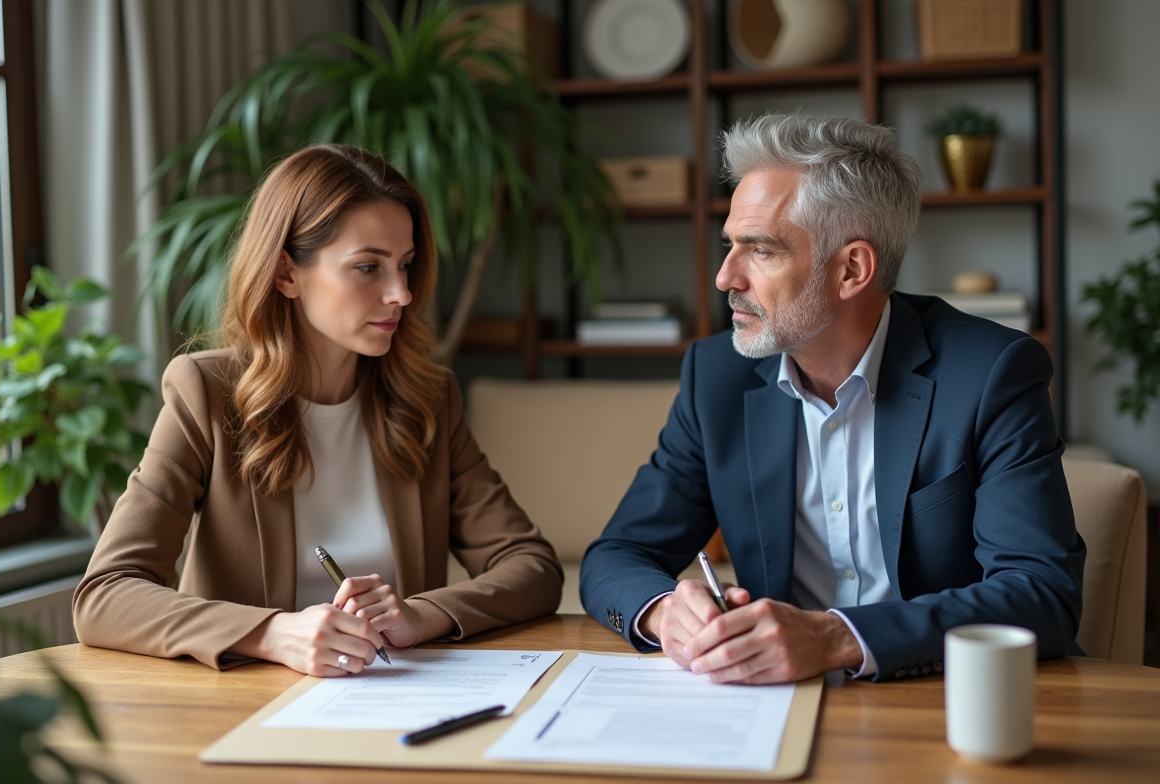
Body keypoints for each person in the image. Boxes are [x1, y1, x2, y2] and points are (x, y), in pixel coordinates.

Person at [580, 113, 1085, 683]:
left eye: (761, 251)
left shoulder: (991, 374)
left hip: (938, 698)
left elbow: (1042, 595)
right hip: (771, 704)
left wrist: (837, 637)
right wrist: (663, 610)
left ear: (852, 269)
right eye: (730, 247)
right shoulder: (716, 376)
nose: (725, 277)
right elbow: (615, 556)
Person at [74, 145, 563, 676]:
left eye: (405, 265)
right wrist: (272, 633)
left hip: (400, 698)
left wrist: (421, 615)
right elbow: (105, 595)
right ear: (287, 274)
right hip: (243, 710)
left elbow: (532, 567)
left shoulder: (428, 398)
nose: (400, 292)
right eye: (368, 267)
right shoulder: (206, 393)